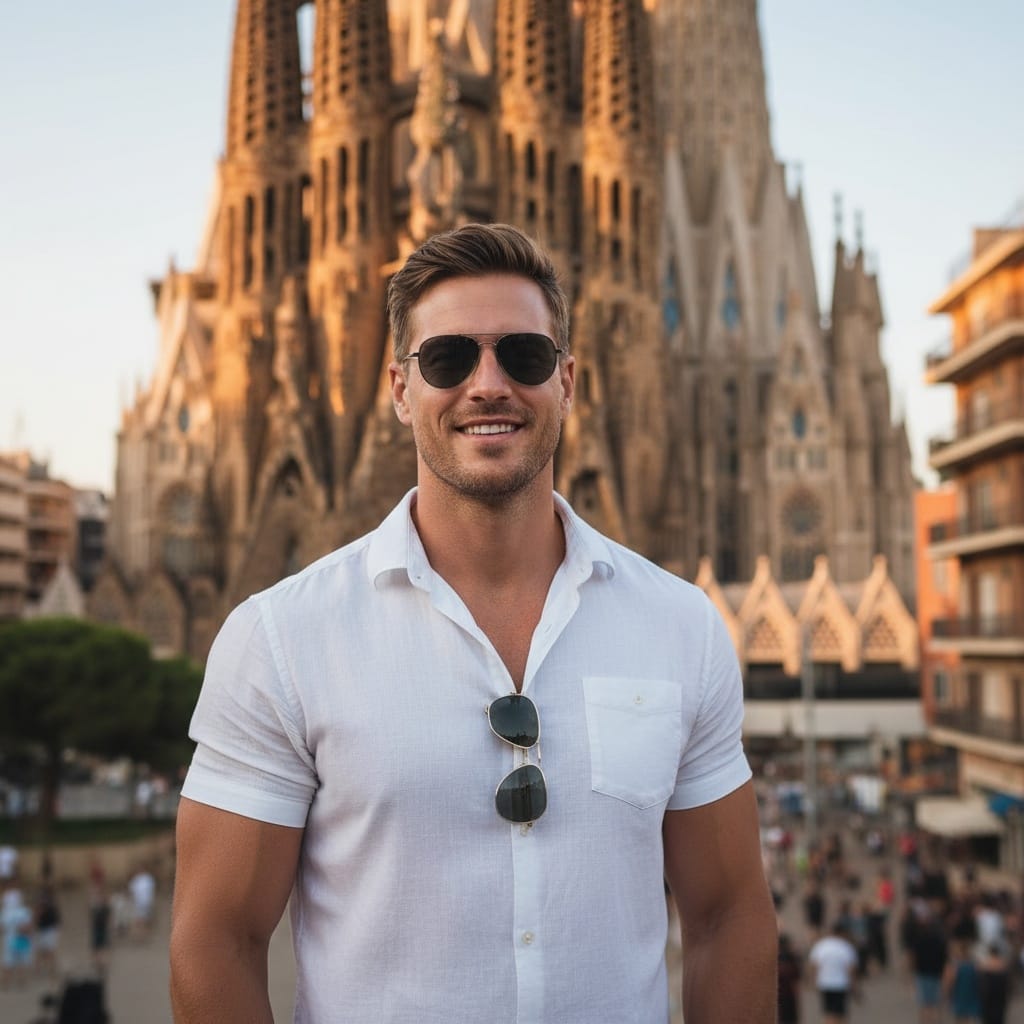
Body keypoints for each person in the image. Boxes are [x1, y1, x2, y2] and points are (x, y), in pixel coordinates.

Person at [169, 223, 778, 1022]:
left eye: (522, 356)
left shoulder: (680, 626)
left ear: (567, 382)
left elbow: (730, 914)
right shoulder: (282, 639)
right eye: (448, 359)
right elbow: (214, 941)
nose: (487, 384)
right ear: (399, 389)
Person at [808, 920, 860, 1023]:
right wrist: (854, 988)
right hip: (840, 985)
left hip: (824, 984)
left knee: (828, 1013)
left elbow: (814, 965)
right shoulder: (846, 947)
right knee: (841, 1014)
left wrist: (813, 981)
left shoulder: (821, 945)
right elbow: (851, 970)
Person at [777, 931, 803, 1023]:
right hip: (790, 995)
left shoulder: (775, 958)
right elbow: (796, 980)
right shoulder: (793, 958)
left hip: (778, 994)